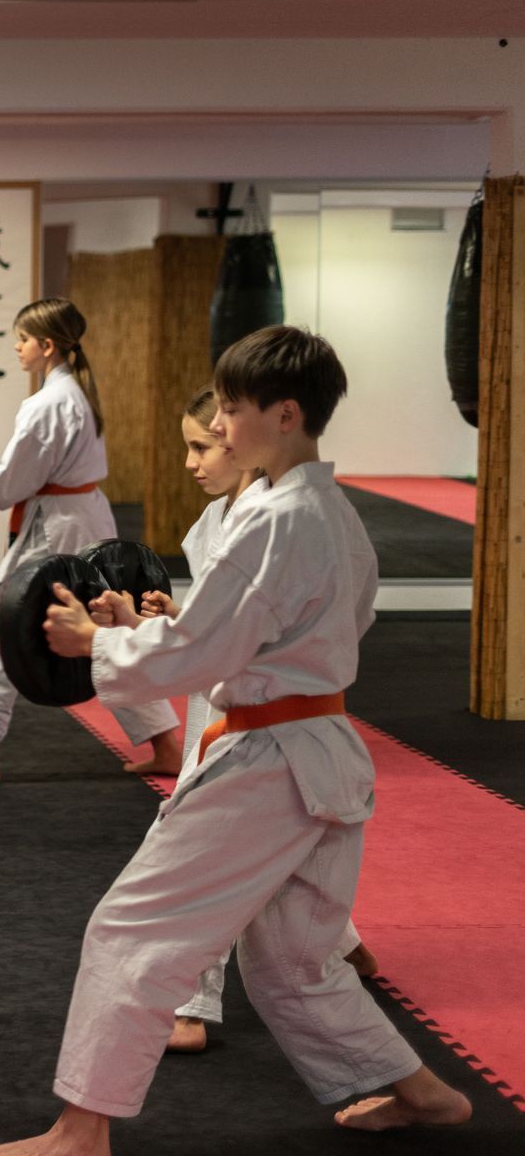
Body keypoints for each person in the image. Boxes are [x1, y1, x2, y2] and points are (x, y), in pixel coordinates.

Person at [0, 327, 474, 1154]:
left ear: (284, 415)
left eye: (234, 411)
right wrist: (144, 628)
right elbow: (307, 630)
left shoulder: (278, 520)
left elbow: (207, 650)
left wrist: (91, 643)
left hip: (268, 764)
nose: (224, 426)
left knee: (131, 929)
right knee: (293, 963)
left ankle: (80, 1131)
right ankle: (422, 1094)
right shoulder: (332, 515)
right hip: (321, 752)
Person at [124, 385, 375, 1054]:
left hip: (267, 715)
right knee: (279, 855)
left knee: (193, 858)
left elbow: (348, 613)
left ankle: (192, 1005)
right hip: (226, 705)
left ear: (247, 436)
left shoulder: (302, 515)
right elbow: (218, 621)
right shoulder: (217, 521)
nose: (194, 461)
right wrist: (174, 621)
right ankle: (342, 949)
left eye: (204, 444)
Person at [0, 297, 179, 786]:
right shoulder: (76, 394)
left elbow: (12, 487)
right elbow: (31, 474)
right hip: (77, 516)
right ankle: (164, 743)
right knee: (103, 628)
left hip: (60, 528)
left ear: (46, 345)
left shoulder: (47, 403)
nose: (16, 348)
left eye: (21, 339)